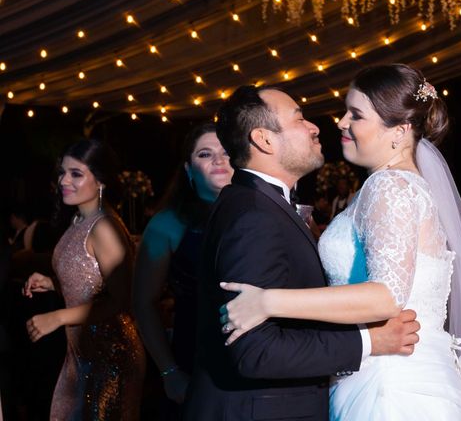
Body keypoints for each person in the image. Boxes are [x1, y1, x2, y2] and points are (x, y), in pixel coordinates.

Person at [220, 65, 461, 420]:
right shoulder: (390, 186)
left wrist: (268, 301)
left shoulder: (390, 187)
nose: (340, 122)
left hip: (391, 385)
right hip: (394, 371)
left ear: (399, 132)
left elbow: (387, 296)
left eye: (355, 114)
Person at [183, 85, 420, 421]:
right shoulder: (253, 216)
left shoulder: (258, 204)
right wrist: (369, 342)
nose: (314, 127)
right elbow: (255, 351)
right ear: (265, 140)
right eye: (299, 119)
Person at [22, 139, 145, 420]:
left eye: (76, 174)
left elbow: (120, 299)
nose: (64, 180)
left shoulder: (104, 227)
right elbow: (91, 277)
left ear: (101, 182)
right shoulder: (79, 219)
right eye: (63, 172)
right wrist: (53, 282)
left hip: (110, 356)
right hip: (82, 354)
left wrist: (57, 317)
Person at [133, 123, 233, 410]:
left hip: (259, 353)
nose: (218, 159)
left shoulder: (261, 214)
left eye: (226, 151)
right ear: (188, 169)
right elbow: (143, 303)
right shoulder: (167, 224)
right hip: (196, 356)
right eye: (205, 154)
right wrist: (169, 371)